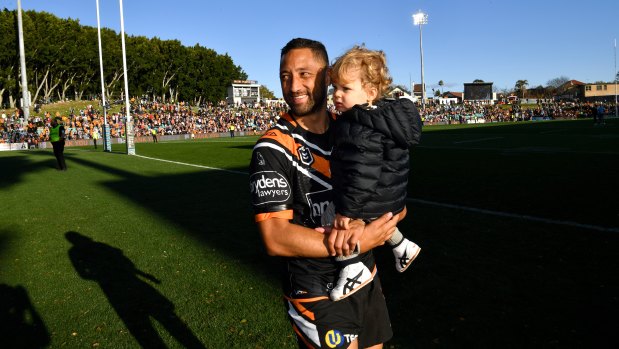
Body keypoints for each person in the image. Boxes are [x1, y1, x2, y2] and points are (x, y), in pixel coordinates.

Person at [249, 38, 402, 349]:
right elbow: (275, 237)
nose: (293, 86)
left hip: (364, 274)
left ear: (328, 76)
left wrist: (387, 218)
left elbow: (394, 192)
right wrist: (359, 239)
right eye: (285, 76)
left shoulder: (355, 128)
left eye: (305, 74)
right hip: (315, 288)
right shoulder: (273, 148)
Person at [324, 46, 422, 302]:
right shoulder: (384, 118)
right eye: (335, 88)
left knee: (340, 228)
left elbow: (362, 175)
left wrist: (349, 212)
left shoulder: (360, 125)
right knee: (372, 216)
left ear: (370, 93)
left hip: (375, 196)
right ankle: (403, 246)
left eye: (346, 89)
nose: (336, 95)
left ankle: (351, 268)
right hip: (392, 195)